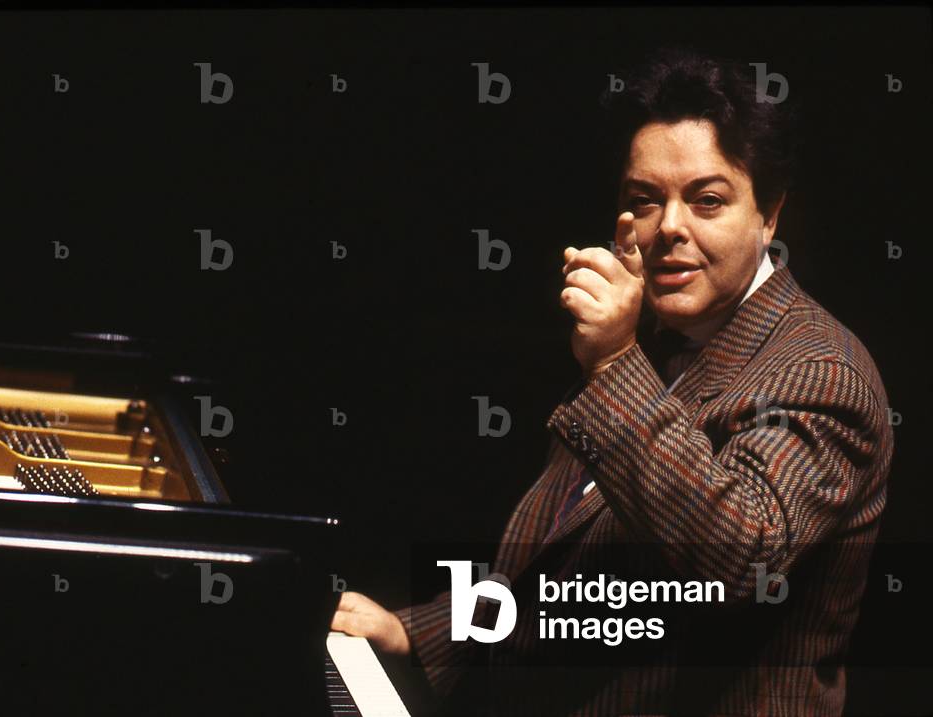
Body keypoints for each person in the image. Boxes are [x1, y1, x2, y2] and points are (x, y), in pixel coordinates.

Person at [331, 44, 893, 717]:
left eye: (707, 201)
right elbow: (579, 573)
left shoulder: (820, 369)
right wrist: (422, 630)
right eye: (645, 201)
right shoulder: (656, 341)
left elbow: (739, 562)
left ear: (769, 214)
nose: (669, 228)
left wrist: (612, 362)